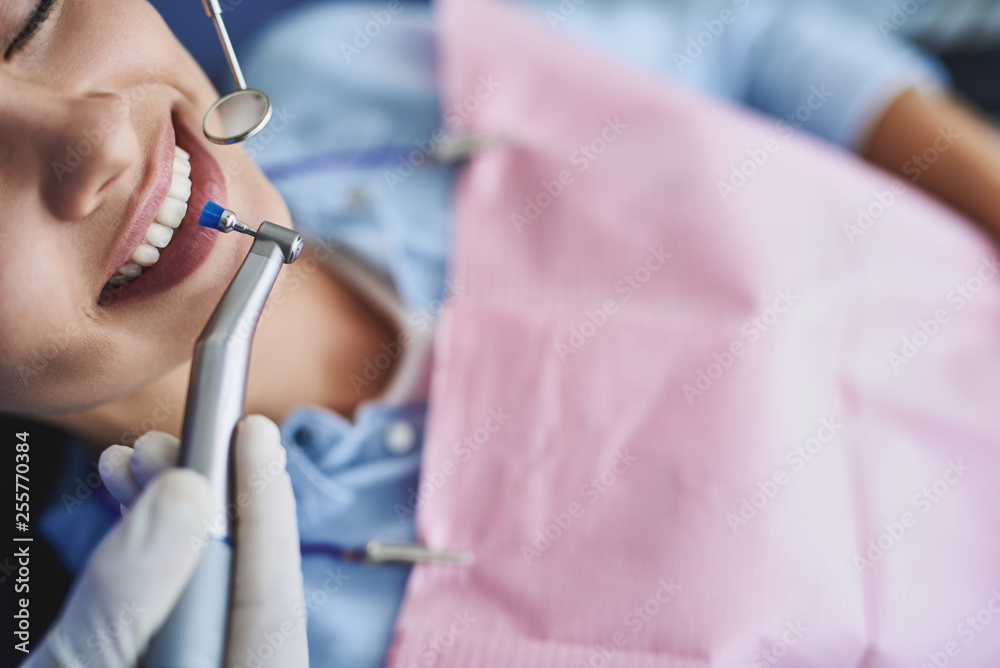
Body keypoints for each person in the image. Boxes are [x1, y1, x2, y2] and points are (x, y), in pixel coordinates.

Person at [6, 0, 1000, 666]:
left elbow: (757, 40)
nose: (96, 137)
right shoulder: (212, 634)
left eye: (34, 16)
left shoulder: (360, 72)